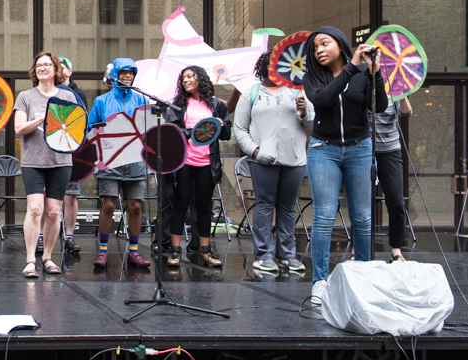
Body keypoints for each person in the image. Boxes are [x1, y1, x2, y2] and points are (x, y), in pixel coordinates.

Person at [304, 27, 387, 305]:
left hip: (359, 148)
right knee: (325, 215)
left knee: (362, 216)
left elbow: (380, 106)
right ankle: (319, 281)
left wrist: (375, 74)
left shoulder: (364, 75)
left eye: (325, 43)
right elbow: (323, 100)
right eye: (315, 47)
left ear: (340, 44)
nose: (319, 50)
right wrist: (352, 68)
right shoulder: (313, 78)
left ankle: (363, 276)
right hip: (323, 149)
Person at [233, 52, 314, 274]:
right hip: (262, 161)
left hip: (295, 159)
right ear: (264, 67)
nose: (277, 69)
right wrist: (255, 152)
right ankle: (264, 255)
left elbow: (312, 124)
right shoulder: (252, 94)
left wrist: (304, 111)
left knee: (288, 207)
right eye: (273, 65)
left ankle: (288, 255)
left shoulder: (298, 92)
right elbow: (239, 128)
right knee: (265, 204)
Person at [13, 51, 79, 278]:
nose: (42, 68)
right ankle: (30, 259)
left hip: (60, 161)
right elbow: (18, 128)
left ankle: (48, 257)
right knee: (34, 209)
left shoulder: (68, 97)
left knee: (53, 212)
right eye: (38, 65)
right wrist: (43, 118)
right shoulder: (25, 97)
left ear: (55, 70)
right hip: (33, 160)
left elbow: (75, 129)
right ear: (35, 70)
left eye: (47, 65)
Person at [164, 66, 232, 269]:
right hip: (184, 162)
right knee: (180, 206)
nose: (185, 80)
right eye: (183, 77)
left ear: (200, 79)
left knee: (204, 208)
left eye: (190, 76)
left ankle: (205, 251)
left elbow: (226, 134)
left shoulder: (216, 104)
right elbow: (172, 131)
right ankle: (175, 251)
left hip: (207, 163)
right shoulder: (178, 105)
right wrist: (195, 130)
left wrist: (220, 124)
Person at [88, 58, 152, 269]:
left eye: (131, 73)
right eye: (123, 72)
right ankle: (103, 251)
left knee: (134, 206)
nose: (127, 76)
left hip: (136, 159)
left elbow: (148, 130)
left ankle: (134, 252)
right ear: (114, 74)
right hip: (110, 159)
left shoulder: (143, 100)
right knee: (108, 205)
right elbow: (90, 130)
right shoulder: (101, 101)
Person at [372, 97, 412, 262]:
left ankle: (396, 249)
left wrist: (402, 93)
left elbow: (407, 113)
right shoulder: (362, 83)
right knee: (362, 203)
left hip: (390, 150)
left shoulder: (393, 89)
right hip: (365, 148)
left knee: (396, 202)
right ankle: (357, 249)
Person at [57, 56, 86, 255]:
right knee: (45, 196)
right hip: (49, 152)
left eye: (62, 67)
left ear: (70, 71)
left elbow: (83, 121)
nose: (58, 70)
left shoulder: (78, 93)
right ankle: (41, 236)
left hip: (71, 150)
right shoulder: (46, 91)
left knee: (70, 196)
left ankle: (69, 237)